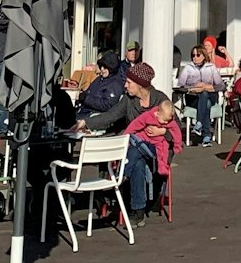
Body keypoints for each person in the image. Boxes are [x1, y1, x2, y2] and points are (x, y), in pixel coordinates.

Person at [79, 63, 167, 217]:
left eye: (128, 82)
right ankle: (138, 209)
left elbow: (177, 127)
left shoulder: (160, 100)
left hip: (158, 149)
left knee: (134, 148)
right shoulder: (128, 100)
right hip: (135, 149)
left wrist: (162, 130)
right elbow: (111, 115)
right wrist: (87, 122)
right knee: (137, 158)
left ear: (140, 85)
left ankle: (123, 178)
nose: (124, 86)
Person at [121, 94, 182, 220]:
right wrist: (126, 136)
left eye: (167, 121)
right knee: (137, 156)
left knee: (142, 149)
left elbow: (177, 131)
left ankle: (124, 173)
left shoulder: (163, 106)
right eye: (164, 120)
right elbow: (136, 124)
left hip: (158, 144)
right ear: (157, 114)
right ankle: (139, 211)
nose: (166, 123)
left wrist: (166, 133)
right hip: (144, 140)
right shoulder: (148, 115)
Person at [175, 48, 222, 145]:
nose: (195, 58)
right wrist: (193, 87)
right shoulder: (188, 68)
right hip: (193, 98)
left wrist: (205, 87)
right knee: (207, 103)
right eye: (193, 55)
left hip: (210, 95)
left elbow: (221, 86)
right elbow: (180, 86)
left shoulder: (211, 67)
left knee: (205, 95)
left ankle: (199, 123)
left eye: (198, 55)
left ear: (204, 56)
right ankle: (206, 135)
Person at [74, 50, 125, 118]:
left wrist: (86, 99)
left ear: (111, 68)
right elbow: (89, 92)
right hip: (84, 112)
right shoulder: (100, 79)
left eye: (105, 67)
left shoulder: (115, 83)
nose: (102, 69)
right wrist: (82, 96)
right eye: (101, 66)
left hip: (94, 117)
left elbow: (108, 105)